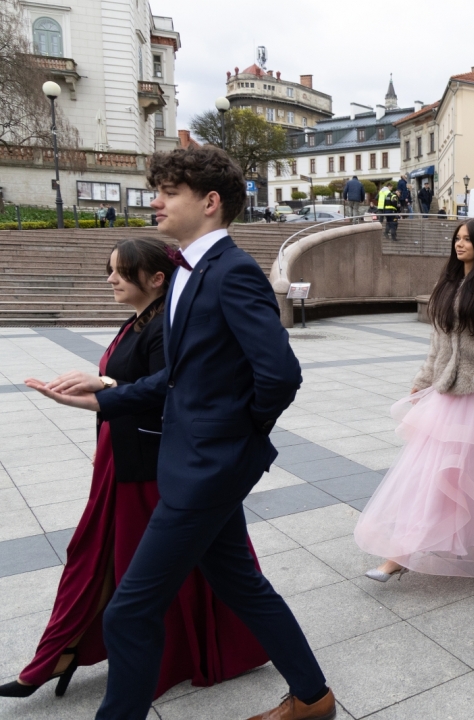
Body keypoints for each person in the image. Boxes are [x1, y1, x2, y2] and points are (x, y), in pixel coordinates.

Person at [25, 146, 334, 720]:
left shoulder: (233, 271)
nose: (156, 201)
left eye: (170, 192)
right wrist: (104, 395)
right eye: (157, 190)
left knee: (128, 612)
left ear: (210, 202)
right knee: (242, 585)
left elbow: (280, 374)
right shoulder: (191, 272)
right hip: (189, 464)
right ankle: (314, 697)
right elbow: (181, 378)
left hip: (206, 470)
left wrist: (235, 444)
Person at [3, 238, 268, 703]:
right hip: (123, 457)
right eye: (109, 270)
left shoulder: (165, 326)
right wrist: (103, 421)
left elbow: (169, 392)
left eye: (121, 272)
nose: (111, 279)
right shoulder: (141, 320)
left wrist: (103, 385)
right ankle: (62, 652)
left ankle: (89, 656)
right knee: (103, 556)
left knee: (130, 564)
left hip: (152, 466)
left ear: (156, 278)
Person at [355, 218, 474, 580]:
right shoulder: (446, 284)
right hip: (448, 395)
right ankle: (401, 555)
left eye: (468, 240)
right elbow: (437, 345)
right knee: (432, 477)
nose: (460, 244)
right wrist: (422, 381)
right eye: (457, 238)